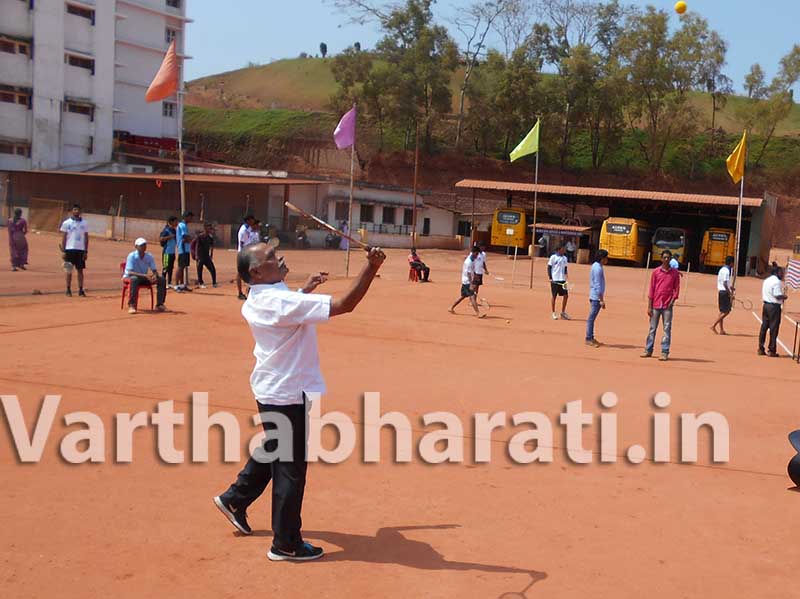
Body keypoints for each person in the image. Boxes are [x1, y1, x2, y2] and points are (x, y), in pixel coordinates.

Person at [213, 241, 386, 562]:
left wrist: (303, 290)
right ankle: (286, 543)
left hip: (274, 388)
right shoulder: (279, 301)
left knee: (275, 446)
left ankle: (236, 498)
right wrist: (371, 268)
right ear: (256, 271)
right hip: (286, 391)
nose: (279, 258)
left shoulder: (260, 298)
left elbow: (286, 307)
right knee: (290, 470)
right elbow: (345, 304)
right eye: (270, 258)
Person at [641, 250, 681, 361]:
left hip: (667, 306)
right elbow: (651, 290)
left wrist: (672, 302)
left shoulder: (674, 274)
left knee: (667, 328)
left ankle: (664, 351)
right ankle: (648, 349)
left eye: (668, 257)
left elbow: (676, 289)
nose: (666, 259)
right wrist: (649, 306)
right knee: (652, 328)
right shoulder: (656, 272)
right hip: (655, 305)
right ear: (661, 258)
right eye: (665, 257)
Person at [123, 238, 167, 314]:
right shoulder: (131, 256)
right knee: (134, 279)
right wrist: (145, 276)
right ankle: (132, 305)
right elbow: (130, 272)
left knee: (162, 279)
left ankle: (159, 304)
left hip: (143, 278)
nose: (143, 247)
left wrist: (155, 276)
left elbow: (154, 270)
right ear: (136, 247)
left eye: (144, 245)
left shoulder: (149, 256)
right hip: (129, 277)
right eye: (141, 245)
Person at [758, 265, 788, 357]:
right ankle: (772, 350)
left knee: (764, 327)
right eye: (781, 272)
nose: (783, 274)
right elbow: (777, 295)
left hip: (766, 305)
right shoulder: (777, 282)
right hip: (774, 307)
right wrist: (784, 296)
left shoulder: (767, 280)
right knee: (774, 328)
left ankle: (760, 348)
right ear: (776, 272)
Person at [59, 203, 89, 297]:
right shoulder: (66, 223)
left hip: (80, 250)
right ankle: (68, 289)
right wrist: (63, 251)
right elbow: (64, 237)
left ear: (81, 211)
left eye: (78, 210)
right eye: (75, 209)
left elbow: (86, 238)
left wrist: (85, 251)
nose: (76, 211)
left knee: (80, 270)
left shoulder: (84, 223)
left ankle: (80, 289)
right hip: (69, 249)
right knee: (68, 270)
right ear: (72, 211)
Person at [448, 247, 485, 318]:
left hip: (468, 281)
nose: (477, 255)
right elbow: (468, 274)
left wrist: (475, 276)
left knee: (463, 296)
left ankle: (451, 307)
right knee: (472, 297)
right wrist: (471, 284)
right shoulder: (468, 262)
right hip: (466, 281)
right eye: (476, 254)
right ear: (473, 253)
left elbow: (472, 270)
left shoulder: (473, 260)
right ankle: (478, 313)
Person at [586, 249, 608, 347]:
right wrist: (601, 300)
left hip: (594, 295)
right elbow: (598, 285)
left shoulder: (596, 266)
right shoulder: (598, 268)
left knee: (592, 318)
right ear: (602, 258)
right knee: (591, 319)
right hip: (596, 297)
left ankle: (591, 337)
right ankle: (588, 338)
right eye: (606, 258)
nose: (607, 259)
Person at [711, 255, 735, 335]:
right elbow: (724, 283)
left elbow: (725, 282)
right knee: (727, 311)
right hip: (724, 292)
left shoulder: (722, 269)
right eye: (733, 263)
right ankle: (713, 325)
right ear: (731, 263)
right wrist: (730, 293)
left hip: (721, 291)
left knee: (722, 311)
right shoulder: (726, 271)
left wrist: (730, 287)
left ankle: (721, 330)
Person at [237, 214, 257, 300]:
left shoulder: (249, 228)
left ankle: (249, 291)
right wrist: (244, 255)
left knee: (251, 272)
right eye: (252, 220)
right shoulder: (244, 230)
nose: (253, 221)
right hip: (244, 254)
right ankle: (240, 293)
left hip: (249, 253)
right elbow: (242, 243)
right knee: (240, 273)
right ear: (248, 220)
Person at [548, 245, 570, 320]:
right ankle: (553, 313)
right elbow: (549, 267)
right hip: (555, 279)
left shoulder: (565, 258)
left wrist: (566, 275)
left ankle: (563, 312)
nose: (564, 251)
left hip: (563, 280)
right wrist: (550, 278)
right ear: (559, 249)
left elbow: (565, 268)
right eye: (563, 249)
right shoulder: (553, 257)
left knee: (566, 295)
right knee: (554, 296)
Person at [174, 211, 194, 292]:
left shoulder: (184, 225)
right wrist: (191, 239)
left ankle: (182, 285)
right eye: (190, 217)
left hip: (185, 249)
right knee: (180, 267)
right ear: (186, 217)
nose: (191, 219)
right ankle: (176, 285)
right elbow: (185, 237)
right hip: (182, 249)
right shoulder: (182, 225)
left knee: (183, 267)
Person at [195, 222, 218, 288]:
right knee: (200, 269)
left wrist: (211, 254)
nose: (209, 228)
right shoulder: (200, 236)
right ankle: (201, 283)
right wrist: (196, 255)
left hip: (206, 255)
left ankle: (214, 283)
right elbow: (197, 245)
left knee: (212, 269)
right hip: (200, 255)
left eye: (210, 227)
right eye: (208, 227)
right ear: (205, 228)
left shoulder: (210, 237)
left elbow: (211, 246)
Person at [159, 216, 178, 286]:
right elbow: (161, 239)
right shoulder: (166, 230)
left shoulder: (174, 230)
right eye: (175, 221)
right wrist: (169, 237)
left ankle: (169, 283)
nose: (177, 223)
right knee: (165, 267)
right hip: (166, 253)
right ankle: (163, 282)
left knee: (171, 268)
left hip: (172, 253)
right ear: (171, 222)